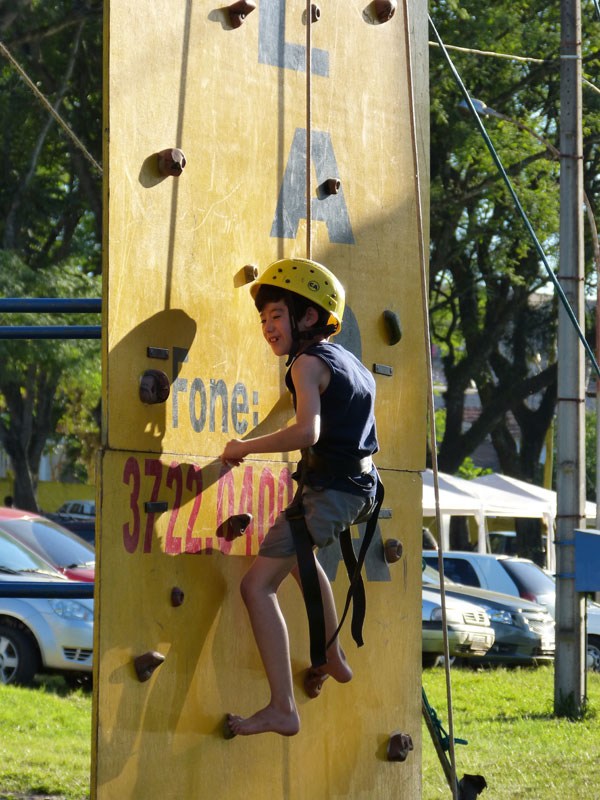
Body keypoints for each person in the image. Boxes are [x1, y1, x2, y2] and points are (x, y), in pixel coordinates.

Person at [221, 257, 381, 738]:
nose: (268, 327)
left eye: (276, 315)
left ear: (308, 317)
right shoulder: (347, 362)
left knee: (256, 587)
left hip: (331, 492)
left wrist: (243, 448)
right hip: (358, 485)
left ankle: (281, 709)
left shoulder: (307, 364)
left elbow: (307, 430)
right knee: (299, 560)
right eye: (263, 318)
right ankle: (333, 656)